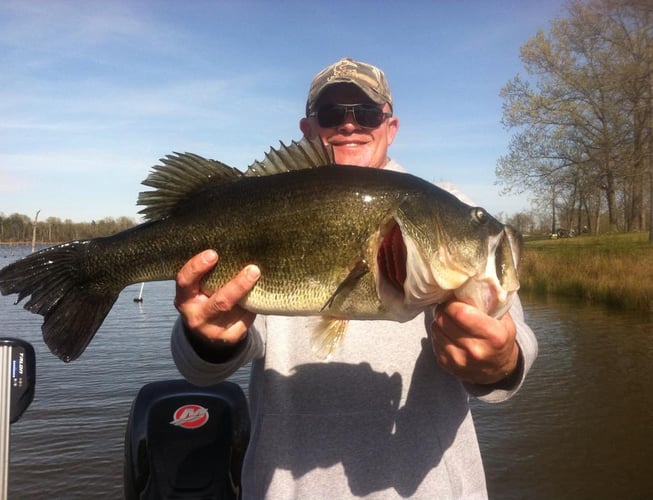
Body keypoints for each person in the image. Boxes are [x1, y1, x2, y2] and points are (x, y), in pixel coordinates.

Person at [171, 57, 538, 498]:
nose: (349, 125)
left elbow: (513, 338)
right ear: (308, 129)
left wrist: (501, 360)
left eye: (365, 113)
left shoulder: (444, 206)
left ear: (390, 125)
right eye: (332, 114)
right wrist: (207, 339)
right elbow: (200, 371)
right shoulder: (267, 203)